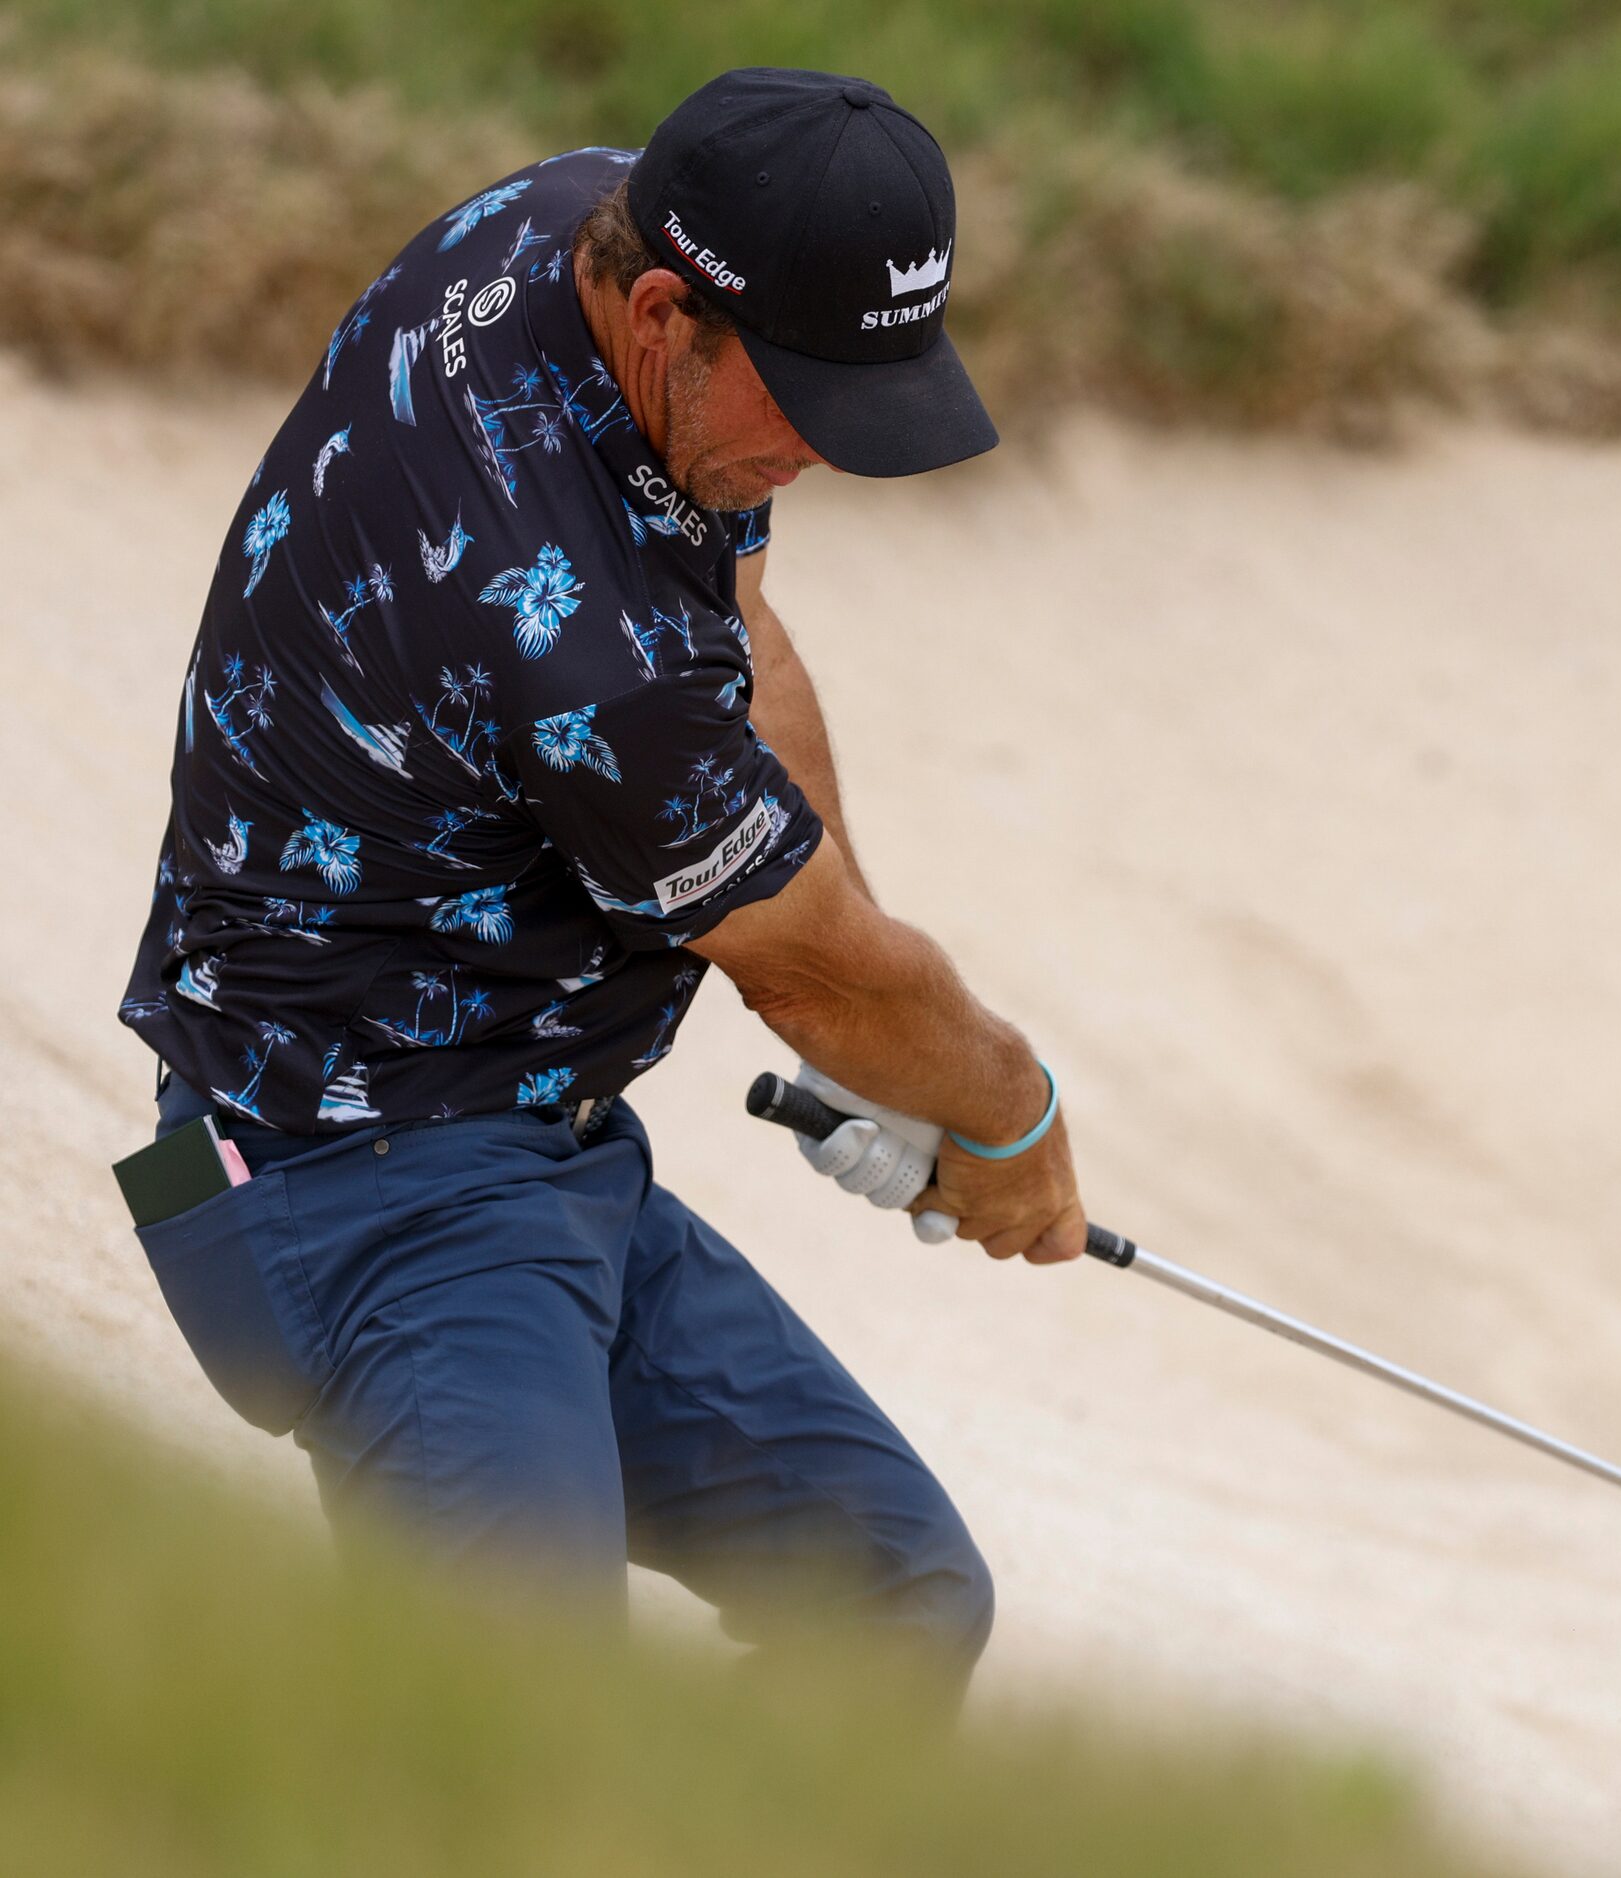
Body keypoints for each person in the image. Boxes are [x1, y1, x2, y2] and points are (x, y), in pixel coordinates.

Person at [113, 67, 1082, 1707]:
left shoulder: (576, 216)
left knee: (898, 1594)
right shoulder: (569, 638)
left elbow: (749, 639)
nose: (823, 461)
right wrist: (1008, 1118)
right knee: (509, 1742)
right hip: (371, 1188)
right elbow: (807, 968)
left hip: (545, 1144)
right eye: (807, 409)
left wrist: (869, 1054)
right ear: (664, 313)